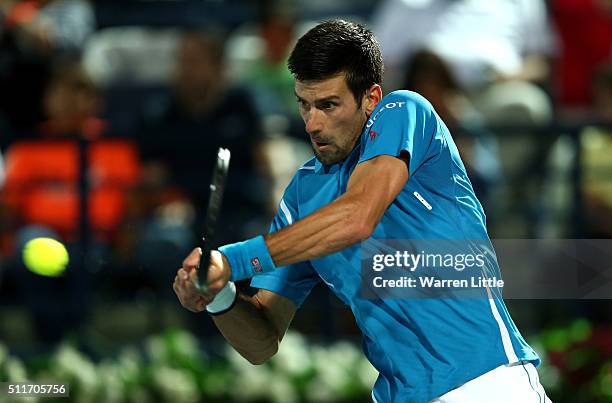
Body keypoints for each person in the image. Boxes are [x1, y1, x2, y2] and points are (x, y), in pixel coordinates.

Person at [173, 20, 551, 402]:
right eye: (304, 104)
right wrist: (219, 294)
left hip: (487, 384)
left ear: (371, 98)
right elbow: (261, 343)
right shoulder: (303, 196)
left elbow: (357, 217)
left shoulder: (405, 112)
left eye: (328, 105)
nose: (312, 123)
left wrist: (231, 259)